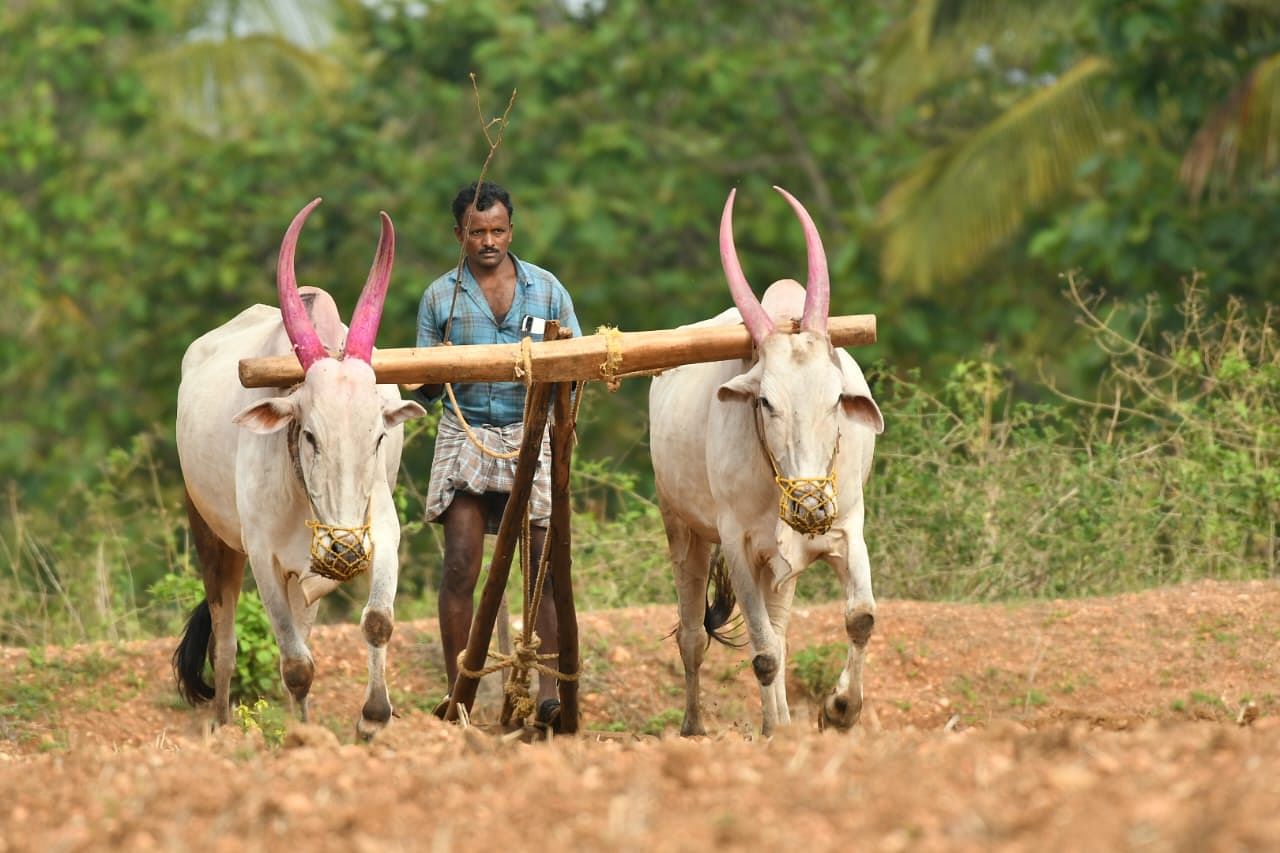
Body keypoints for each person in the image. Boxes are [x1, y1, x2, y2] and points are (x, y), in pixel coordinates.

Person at [416, 180, 582, 729]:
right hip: (467, 436)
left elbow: (577, 367)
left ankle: (551, 695)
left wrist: (561, 376)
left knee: (543, 573)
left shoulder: (548, 289)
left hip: (531, 436)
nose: (488, 241)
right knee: (461, 564)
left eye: (497, 230)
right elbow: (425, 388)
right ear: (458, 234)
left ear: (512, 230)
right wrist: (435, 367)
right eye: (476, 231)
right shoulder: (441, 296)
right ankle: (459, 695)